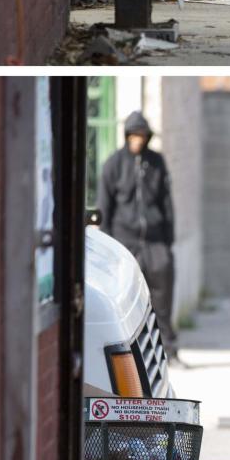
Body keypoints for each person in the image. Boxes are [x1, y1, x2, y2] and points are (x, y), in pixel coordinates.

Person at [99, 111, 179, 359]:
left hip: (155, 242)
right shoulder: (114, 164)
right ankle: (133, 356)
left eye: (141, 135)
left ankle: (169, 351)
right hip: (126, 243)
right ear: (126, 136)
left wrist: (168, 240)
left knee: (163, 298)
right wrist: (109, 245)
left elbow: (166, 203)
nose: (137, 140)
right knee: (127, 302)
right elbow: (105, 206)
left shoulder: (156, 162)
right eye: (133, 135)